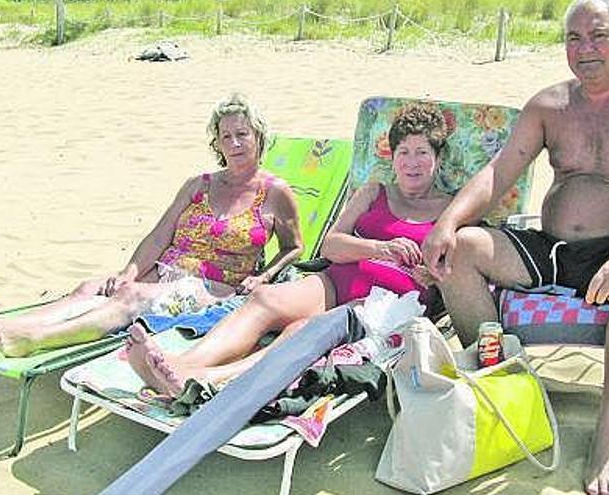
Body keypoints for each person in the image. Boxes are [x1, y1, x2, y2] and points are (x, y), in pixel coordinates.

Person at [421, 2, 609, 494]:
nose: (584, 48)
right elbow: (499, 172)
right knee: (460, 251)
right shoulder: (549, 105)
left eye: (598, 36)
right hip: (553, 249)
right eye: (573, 38)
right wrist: (448, 222)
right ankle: (499, 385)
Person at [125, 102, 453, 399]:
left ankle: (208, 379)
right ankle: (179, 364)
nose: (412, 163)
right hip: (336, 280)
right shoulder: (374, 192)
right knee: (264, 299)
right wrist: (381, 248)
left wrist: (434, 277)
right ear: (392, 157)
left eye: (422, 152)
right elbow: (331, 245)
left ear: (437, 158)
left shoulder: (451, 210)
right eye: (404, 152)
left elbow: (456, 272)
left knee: (302, 332)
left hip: (388, 303)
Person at [0, 93, 303, 357]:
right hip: (165, 272)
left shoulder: (275, 193)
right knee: (93, 287)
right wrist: (129, 270)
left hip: (215, 288)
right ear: (217, 143)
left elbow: (294, 246)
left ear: (258, 137)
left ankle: (26, 338)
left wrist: (266, 275)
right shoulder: (200, 184)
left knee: (130, 297)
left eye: (243, 134)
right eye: (226, 136)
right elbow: (160, 235)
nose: (235, 143)